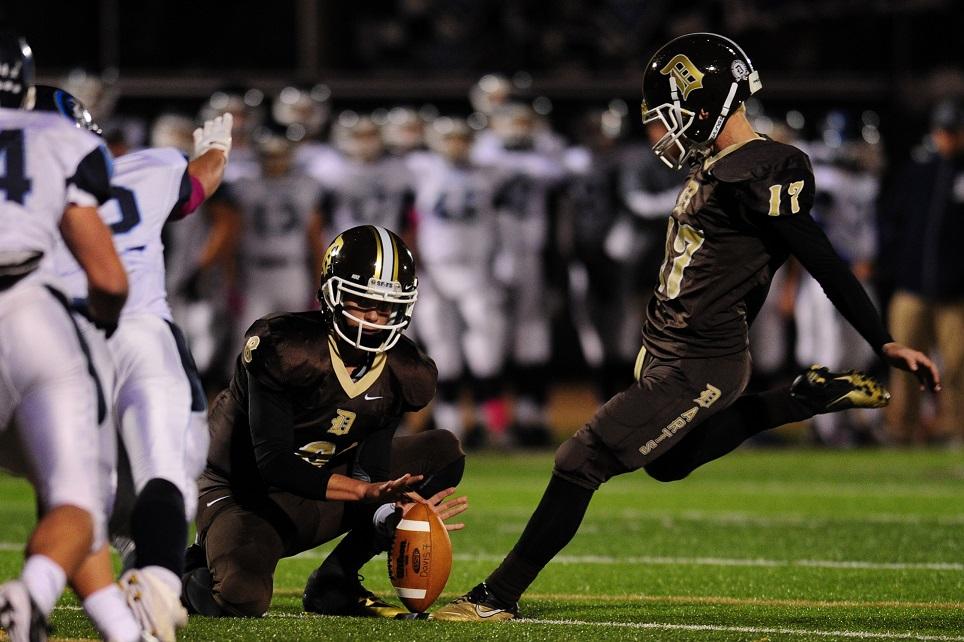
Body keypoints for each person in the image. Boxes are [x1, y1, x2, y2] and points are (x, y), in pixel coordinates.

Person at [431, 32, 941, 622]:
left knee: (580, 459)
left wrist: (882, 340)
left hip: (704, 357)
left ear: (710, 101)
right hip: (668, 348)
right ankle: (799, 398)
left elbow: (821, 256)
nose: (665, 129)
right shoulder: (717, 163)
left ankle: (497, 596)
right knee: (669, 462)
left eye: (673, 111)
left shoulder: (768, 167)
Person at [182, 225, 467, 618]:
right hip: (243, 491)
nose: (374, 319)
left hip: (321, 486)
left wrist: (389, 513)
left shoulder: (404, 369)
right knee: (240, 596)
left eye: (385, 307)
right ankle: (185, 570)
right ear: (332, 295)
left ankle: (336, 581)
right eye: (361, 303)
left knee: (441, 452)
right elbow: (275, 462)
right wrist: (366, 494)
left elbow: (373, 467)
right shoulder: (285, 347)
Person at [38, 85, 232, 641]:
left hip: (57, 341)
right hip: (140, 331)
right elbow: (198, 186)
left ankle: (41, 590)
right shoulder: (144, 168)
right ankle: (157, 581)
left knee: (78, 490)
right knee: (167, 469)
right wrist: (217, 147)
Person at [0, 32, 130, 642]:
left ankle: (122, 631)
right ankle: (30, 597)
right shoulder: (58, 137)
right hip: (30, 316)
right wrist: (101, 320)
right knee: (76, 497)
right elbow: (107, 276)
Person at [879, 98, 964, 445]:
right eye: (942, 130)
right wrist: (892, 265)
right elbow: (891, 222)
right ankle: (901, 430)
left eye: (952, 131)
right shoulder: (918, 171)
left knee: (958, 367)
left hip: (956, 293)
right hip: (911, 288)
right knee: (905, 366)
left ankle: (955, 430)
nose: (946, 137)